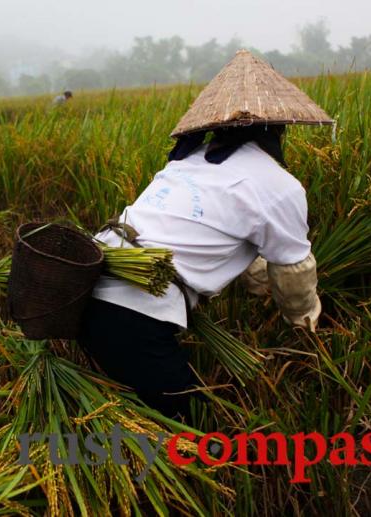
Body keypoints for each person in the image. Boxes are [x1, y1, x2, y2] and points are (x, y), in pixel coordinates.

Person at [77, 50, 333, 422]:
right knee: (192, 426)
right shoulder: (278, 185)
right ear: (277, 128)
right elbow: (293, 274)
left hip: (87, 287)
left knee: (129, 410)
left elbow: (223, 242)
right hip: (133, 316)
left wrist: (259, 289)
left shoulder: (186, 162)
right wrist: (307, 328)